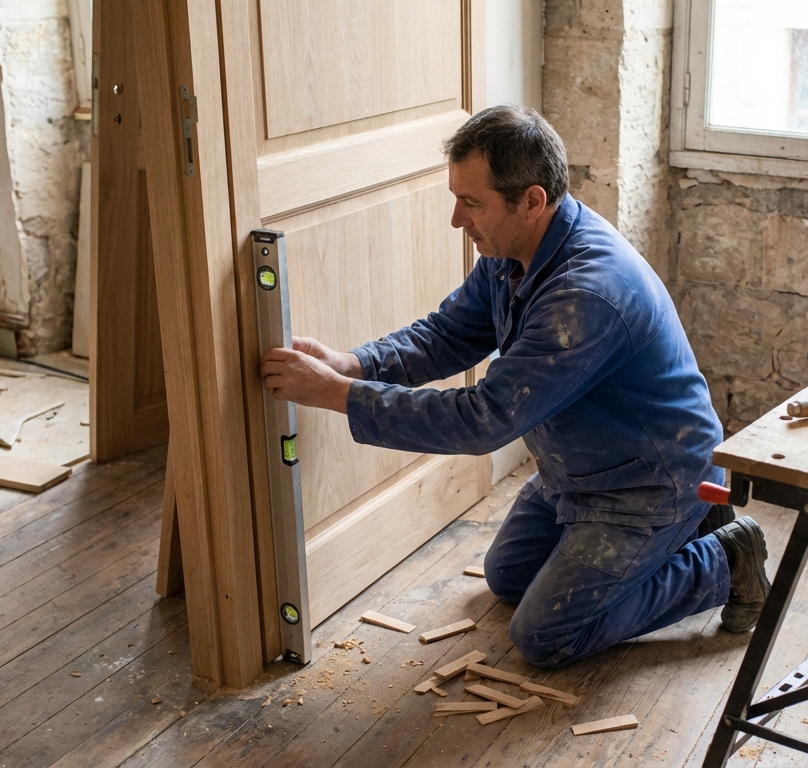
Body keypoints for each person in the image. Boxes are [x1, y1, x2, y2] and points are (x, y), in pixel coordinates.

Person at [260, 105, 769, 668]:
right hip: (578, 470)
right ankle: (685, 535)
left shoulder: (585, 295)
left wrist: (336, 394)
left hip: (651, 481)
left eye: (472, 203)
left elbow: (483, 419)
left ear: (531, 200)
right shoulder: (515, 252)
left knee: (545, 635)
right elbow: (450, 333)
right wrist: (354, 364)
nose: (457, 219)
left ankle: (724, 560)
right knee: (507, 577)